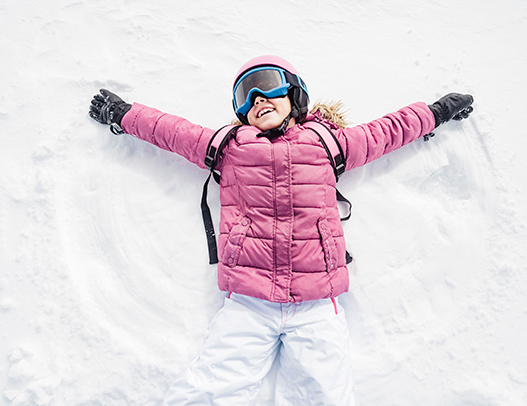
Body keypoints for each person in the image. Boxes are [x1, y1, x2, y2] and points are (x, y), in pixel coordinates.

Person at [88, 55, 473, 405]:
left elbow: (385, 132)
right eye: (247, 97)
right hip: (248, 300)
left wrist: (435, 113)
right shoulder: (230, 145)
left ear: (296, 96)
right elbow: (172, 131)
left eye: (268, 87)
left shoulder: (327, 143)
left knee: (326, 394)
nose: (258, 100)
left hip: (317, 301)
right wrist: (123, 115)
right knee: (211, 386)